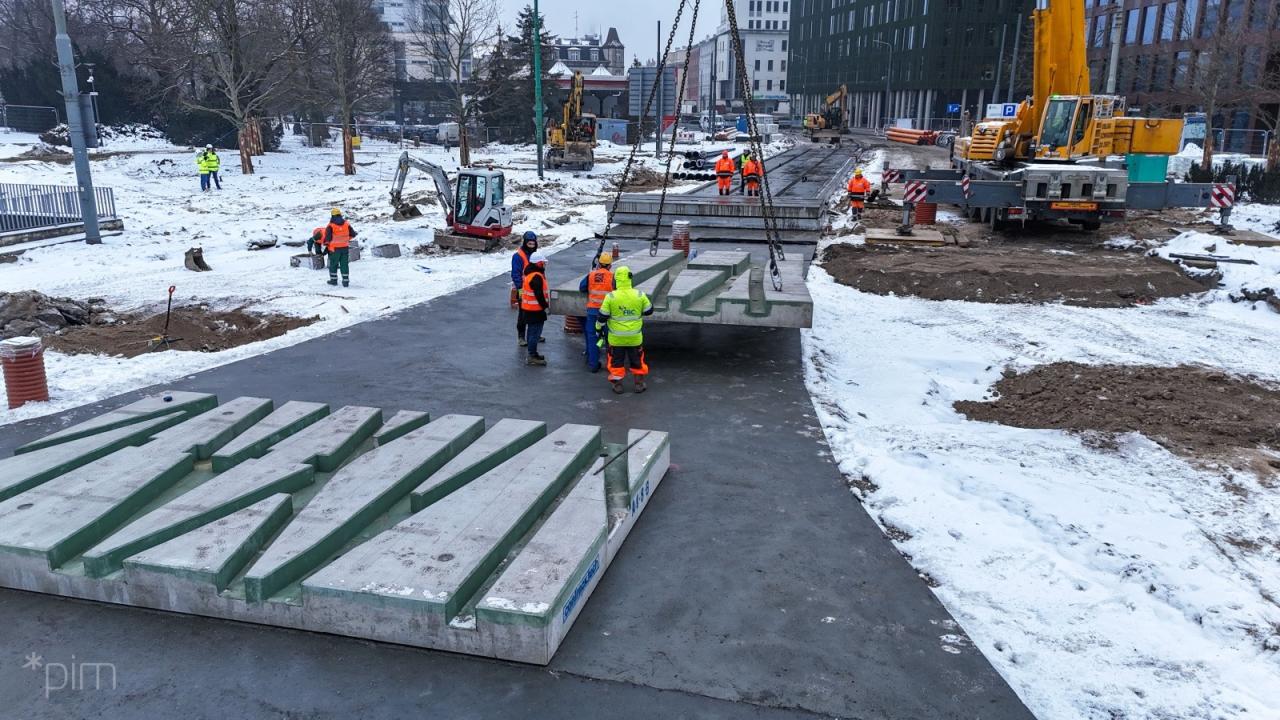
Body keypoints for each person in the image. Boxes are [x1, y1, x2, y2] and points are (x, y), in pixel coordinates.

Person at [597, 265, 654, 394]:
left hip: (616, 339)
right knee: (637, 361)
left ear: (616, 280)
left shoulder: (611, 297)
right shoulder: (639, 294)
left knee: (616, 363)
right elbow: (649, 311)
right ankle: (639, 384)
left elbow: (602, 317)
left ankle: (618, 386)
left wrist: (598, 328)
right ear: (630, 279)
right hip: (635, 338)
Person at [578, 252, 615, 372]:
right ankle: (611, 366)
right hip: (607, 314)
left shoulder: (591, 275)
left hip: (593, 313)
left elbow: (582, 287)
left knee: (593, 338)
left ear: (599, 264)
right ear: (610, 265)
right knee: (610, 339)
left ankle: (593, 365)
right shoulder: (612, 277)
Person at [520, 252, 550, 366]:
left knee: (532, 332)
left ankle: (533, 353)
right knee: (534, 333)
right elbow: (539, 295)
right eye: (543, 263)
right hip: (535, 310)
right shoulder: (536, 276)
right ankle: (532, 356)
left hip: (529, 309)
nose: (544, 265)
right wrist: (545, 307)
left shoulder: (530, 274)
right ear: (538, 263)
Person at [511, 231, 539, 344]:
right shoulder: (518, 256)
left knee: (536, 313)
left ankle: (534, 335)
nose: (532, 246)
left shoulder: (536, 255)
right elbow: (516, 274)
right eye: (529, 244)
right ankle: (521, 337)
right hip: (523, 289)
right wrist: (520, 289)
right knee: (523, 314)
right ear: (525, 243)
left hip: (535, 289)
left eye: (533, 244)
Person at [322, 208, 358, 287]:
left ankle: (333, 280)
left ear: (332, 216)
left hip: (334, 249)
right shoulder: (346, 224)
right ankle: (346, 282)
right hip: (345, 248)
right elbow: (353, 234)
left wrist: (326, 244)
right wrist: (346, 240)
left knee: (333, 265)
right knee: (344, 265)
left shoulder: (330, 226)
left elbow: (327, 239)